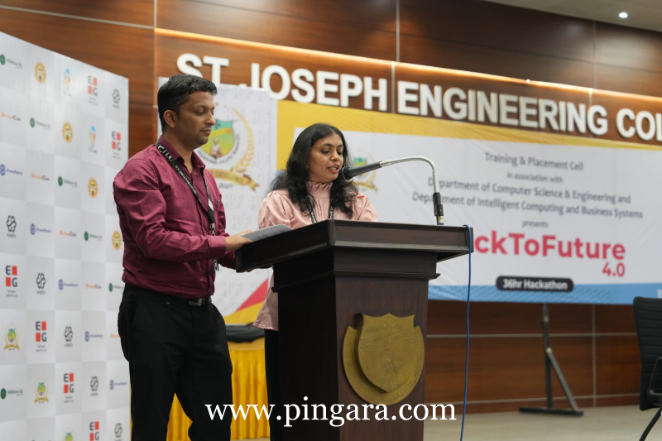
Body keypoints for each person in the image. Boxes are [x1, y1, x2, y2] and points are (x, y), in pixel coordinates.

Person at [113, 74, 252, 441]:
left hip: (203, 315)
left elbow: (218, 244)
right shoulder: (141, 169)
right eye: (200, 111)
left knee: (215, 425)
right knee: (151, 426)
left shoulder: (206, 176)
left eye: (212, 111)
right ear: (171, 117)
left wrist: (269, 252)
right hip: (154, 311)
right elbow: (154, 241)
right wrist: (224, 244)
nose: (212, 120)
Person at [252, 123, 378, 440]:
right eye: (325, 150)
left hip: (350, 321)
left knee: (344, 409)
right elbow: (278, 256)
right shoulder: (279, 201)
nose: (336, 158)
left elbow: (373, 254)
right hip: (291, 319)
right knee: (293, 412)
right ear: (304, 157)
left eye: (340, 152)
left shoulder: (358, 203)